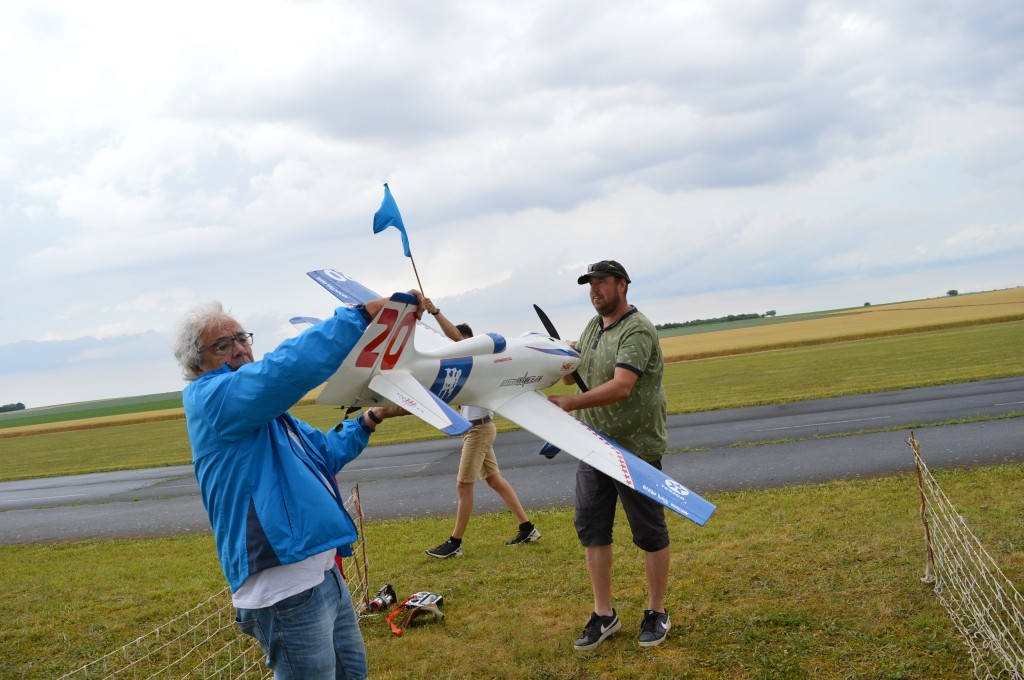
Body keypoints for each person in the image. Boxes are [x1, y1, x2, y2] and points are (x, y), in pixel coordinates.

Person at [173, 294, 421, 679]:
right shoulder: (213, 399)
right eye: (222, 345)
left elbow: (323, 452)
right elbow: (285, 369)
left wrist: (371, 418)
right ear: (196, 364)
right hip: (284, 589)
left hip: (322, 571)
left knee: (352, 674)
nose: (239, 349)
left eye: (242, 338)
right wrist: (358, 318)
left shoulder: (265, 413)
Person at [548, 260, 672, 650]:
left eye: (602, 282)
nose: (595, 289)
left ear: (623, 285)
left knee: (648, 531)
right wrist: (563, 357)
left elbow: (622, 386)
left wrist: (570, 402)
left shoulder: (637, 329)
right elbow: (573, 372)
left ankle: (656, 611)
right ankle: (604, 613)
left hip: (635, 448)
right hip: (594, 444)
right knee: (591, 526)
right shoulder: (592, 326)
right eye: (590, 284)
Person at [421, 298, 540, 558]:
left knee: (464, 486)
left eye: (459, 342)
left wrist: (435, 312)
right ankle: (527, 527)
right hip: (476, 429)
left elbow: (457, 341)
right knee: (495, 480)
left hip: (479, 430)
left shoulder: (476, 356)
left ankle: (454, 543)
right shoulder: (466, 366)